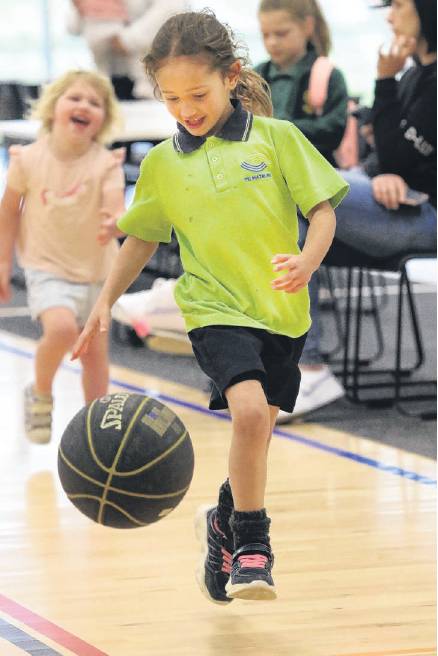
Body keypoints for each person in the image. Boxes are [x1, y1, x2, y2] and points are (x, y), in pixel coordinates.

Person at [71, 10, 348, 602]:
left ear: (231, 77)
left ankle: (223, 522)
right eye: (171, 98)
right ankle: (253, 546)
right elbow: (142, 236)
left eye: (197, 93)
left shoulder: (278, 140)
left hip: (281, 312)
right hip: (214, 308)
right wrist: (103, 303)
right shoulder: (162, 164)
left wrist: (306, 260)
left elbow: (323, 210)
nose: (185, 108)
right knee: (248, 416)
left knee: (259, 432)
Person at [277, 0, 437, 423]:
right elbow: (383, 156)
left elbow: (403, 155)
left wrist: (384, 82)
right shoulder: (416, 74)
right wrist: (385, 170)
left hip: (427, 213)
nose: (389, 16)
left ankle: (309, 366)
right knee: (290, 206)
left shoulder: (424, 79)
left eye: (399, 5)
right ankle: (295, 360)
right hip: (399, 202)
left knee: (298, 191)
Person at [0, 70, 126, 444]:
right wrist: (4, 263)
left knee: (94, 356)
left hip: (98, 274)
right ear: (53, 107)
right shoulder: (28, 159)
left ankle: (95, 429)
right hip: (46, 268)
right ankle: (40, 393)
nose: (84, 106)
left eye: (95, 102)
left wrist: (114, 224)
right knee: (61, 330)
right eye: (75, 98)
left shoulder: (106, 163)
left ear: (103, 119)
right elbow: (9, 212)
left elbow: (117, 209)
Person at [255, 0, 348, 166]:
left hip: (314, 171)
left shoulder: (329, 76)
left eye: (281, 33)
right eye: (265, 35)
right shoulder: (254, 77)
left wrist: (278, 128)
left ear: (307, 26)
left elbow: (334, 132)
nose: (272, 42)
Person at [66, 0, 189, 99]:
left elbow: (170, 8)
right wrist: (80, 7)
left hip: (148, 78)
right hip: (111, 80)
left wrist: (127, 40)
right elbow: (73, 28)